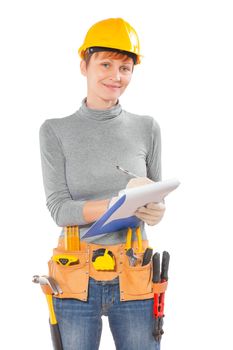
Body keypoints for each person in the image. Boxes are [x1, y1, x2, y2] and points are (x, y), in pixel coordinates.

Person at [39, 17, 166, 350]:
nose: (115, 76)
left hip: (135, 270)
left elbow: (155, 195)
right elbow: (60, 209)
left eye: (125, 68)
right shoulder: (55, 131)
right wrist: (117, 204)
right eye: (105, 64)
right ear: (84, 65)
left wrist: (155, 208)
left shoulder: (147, 128)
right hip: (75, 274)